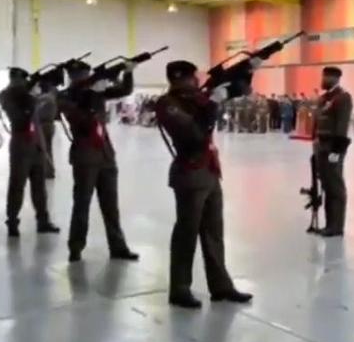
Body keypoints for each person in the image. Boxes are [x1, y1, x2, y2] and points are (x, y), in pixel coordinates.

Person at [155, 60, 252, 309]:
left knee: (214, 233)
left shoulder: (197, 98)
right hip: (190, 173)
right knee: (186, 234)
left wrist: (248, 70)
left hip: (209, 172)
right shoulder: (168, 104)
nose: (196, 81)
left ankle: (221, 286)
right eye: (191, 78)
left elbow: (241, 90)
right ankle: (179, 289)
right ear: (178, 79)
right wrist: (212, 103)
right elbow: (193, 135)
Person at [58, 60, 139, 264]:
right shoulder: (66, 97)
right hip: (85, 156)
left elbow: (124, 89)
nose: (84, 79)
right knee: (82, 204)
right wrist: (93, 94)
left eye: (86, 75)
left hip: (105, 154)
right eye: (80, 76)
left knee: (111, 206)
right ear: (72, 76)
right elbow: (82, 121)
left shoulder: (94, 93)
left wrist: (128, 72)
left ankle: (118, 247)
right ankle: (75, 248)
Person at [0, 68, 60, 237]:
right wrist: (33, 97)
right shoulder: (6, 95)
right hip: (21, 144)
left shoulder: (27, 96)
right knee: (17, 185)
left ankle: (43, 221)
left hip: (35, 143)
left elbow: (37, 117)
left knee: (39, 186)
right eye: (20, 79)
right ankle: (12, 222)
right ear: (14, 79)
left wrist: (43, 145)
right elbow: (21, 116)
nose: (23, 83)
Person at [313, 67, 352, 237]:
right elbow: (318, 122)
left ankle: (337, 227)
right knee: (327, 186)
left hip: (333, 147)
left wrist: (337, 151)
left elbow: (342, 126)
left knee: (335, 187)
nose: (323, 79)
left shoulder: (343, 98)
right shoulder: (324, 98)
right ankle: (330, 224)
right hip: (321, 147)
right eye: (323, 76)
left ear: (335, 78)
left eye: (326, 76)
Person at [37, 80, 59, 179]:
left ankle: (48, 171)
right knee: (48, 149)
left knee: (43, 149)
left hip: (43, 126)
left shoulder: (43, 98)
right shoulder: (53, 96)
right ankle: (49, 171)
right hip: (50, 125)